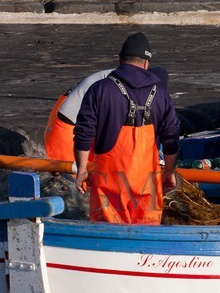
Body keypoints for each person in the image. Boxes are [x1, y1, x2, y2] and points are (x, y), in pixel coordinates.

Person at [73, 33, 181, 225]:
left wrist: (81, 169)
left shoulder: (100, 89)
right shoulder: (161, 94)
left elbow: (83, 131)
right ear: (146, 63)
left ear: (120, 60)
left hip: (110, 184)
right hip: (149, 182)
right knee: (147, 236)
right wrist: (170, 171)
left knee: (107, 235)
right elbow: (171, 137)